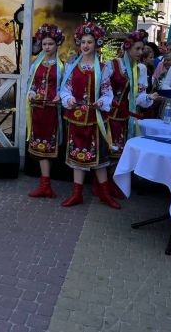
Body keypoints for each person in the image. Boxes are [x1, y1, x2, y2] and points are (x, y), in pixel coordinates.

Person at [60, 22, 118, 208]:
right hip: (76, 118)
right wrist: (68, 99)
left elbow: (107, 92)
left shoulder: (103, 68)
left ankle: (105, 194)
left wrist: (102, 101)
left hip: (96, 119)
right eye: (83, 41)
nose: (85, 45)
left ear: (96, 44)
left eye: (90, 42)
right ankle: (76, 194)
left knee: (100, 158)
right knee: (78, 157)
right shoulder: (71, 67)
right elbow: (65, 89)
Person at [107, 31, 157, 200]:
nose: (140, 52)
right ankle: (105, 186)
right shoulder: (113, 64)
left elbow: (139, 98)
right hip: (109, 115)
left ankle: (115, 185)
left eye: (142, 48)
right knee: (109, 151)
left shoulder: (140, 69)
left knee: (120, 153)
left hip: (127, 117)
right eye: (137, 48)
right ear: (127, 48)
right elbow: (102, 88)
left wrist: (150, 97)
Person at [25, 24, 65, 199]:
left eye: (50, 44)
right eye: (44, 44)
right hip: (38, 110)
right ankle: (44, 185)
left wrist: (61, 96)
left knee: (50, 147)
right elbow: (31, 84)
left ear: (57, 45)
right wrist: (32, 93)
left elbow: (66, 87)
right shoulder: (36, 64)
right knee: (40, 148)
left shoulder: (62, 66)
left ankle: (47, 184)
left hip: (52, 112)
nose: (47, 47)